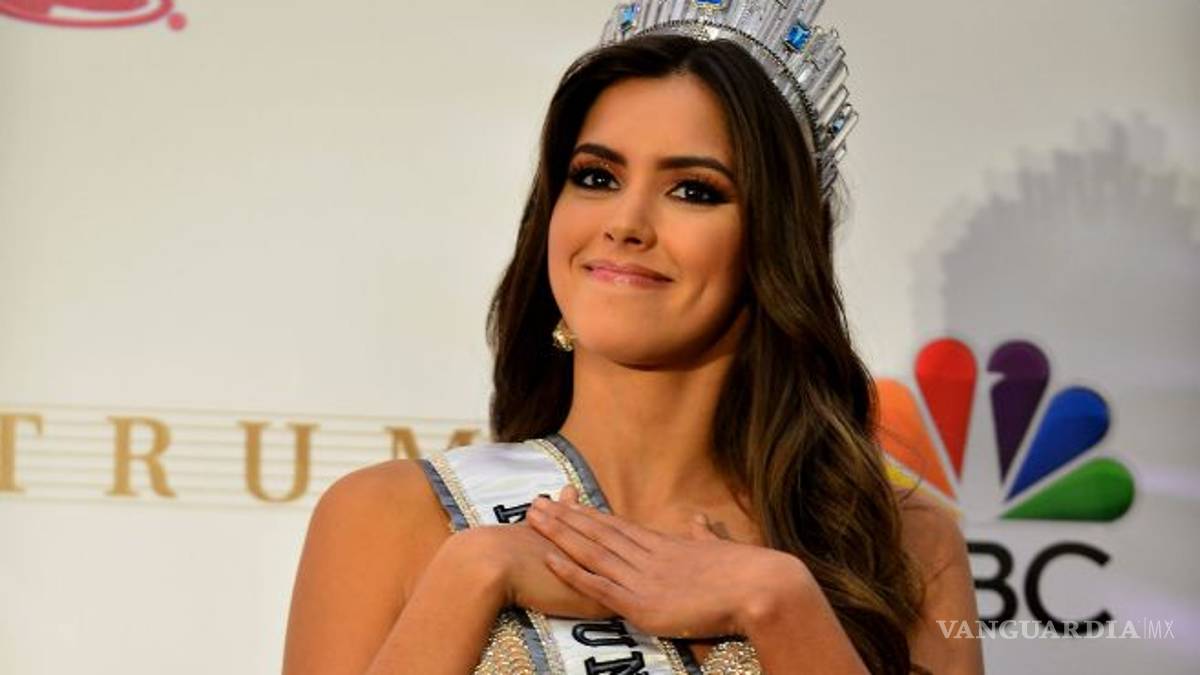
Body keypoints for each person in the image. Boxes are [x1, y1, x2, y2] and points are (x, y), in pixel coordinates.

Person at [282, 3, 983, 673]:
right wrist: (474, 572)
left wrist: (777, 603)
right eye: (596, 177)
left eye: (694, 190)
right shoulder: (392, 516)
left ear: (775, 240)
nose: (625, 222)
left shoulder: (901, 543)